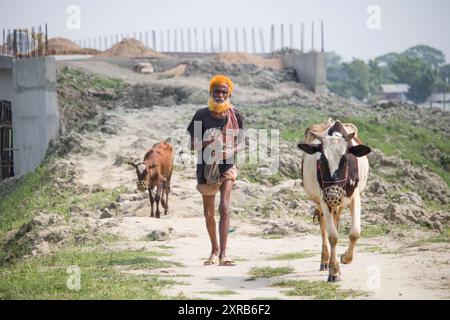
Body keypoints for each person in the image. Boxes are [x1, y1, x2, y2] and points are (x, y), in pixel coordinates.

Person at [186, 75, 244, 266]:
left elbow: (241, 143)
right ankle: (214, 250)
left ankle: (224, 254)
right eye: (216, 91)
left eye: (223, 92)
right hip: (206, 168)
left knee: (224, 207)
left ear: (229, 94)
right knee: (209, 213)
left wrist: (230, 150)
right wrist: (208, 141)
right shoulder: (201, 115)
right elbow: (191, 146)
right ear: (210, 93)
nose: (220, 95)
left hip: (227, 166)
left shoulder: (236, 115)